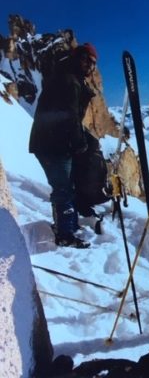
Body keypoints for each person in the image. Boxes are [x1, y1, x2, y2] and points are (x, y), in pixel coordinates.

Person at [29, 43, 98, 248]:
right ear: (80, 58)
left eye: (94, 63)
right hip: (53, 144)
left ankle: (67, 225)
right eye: (89, 61)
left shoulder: (67, 77)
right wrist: (79, 143)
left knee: (65, 186)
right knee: (63, 188)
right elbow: (70, 117)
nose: (91, 66)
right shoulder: (69, 81)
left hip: (52, 142)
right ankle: (65, 234)